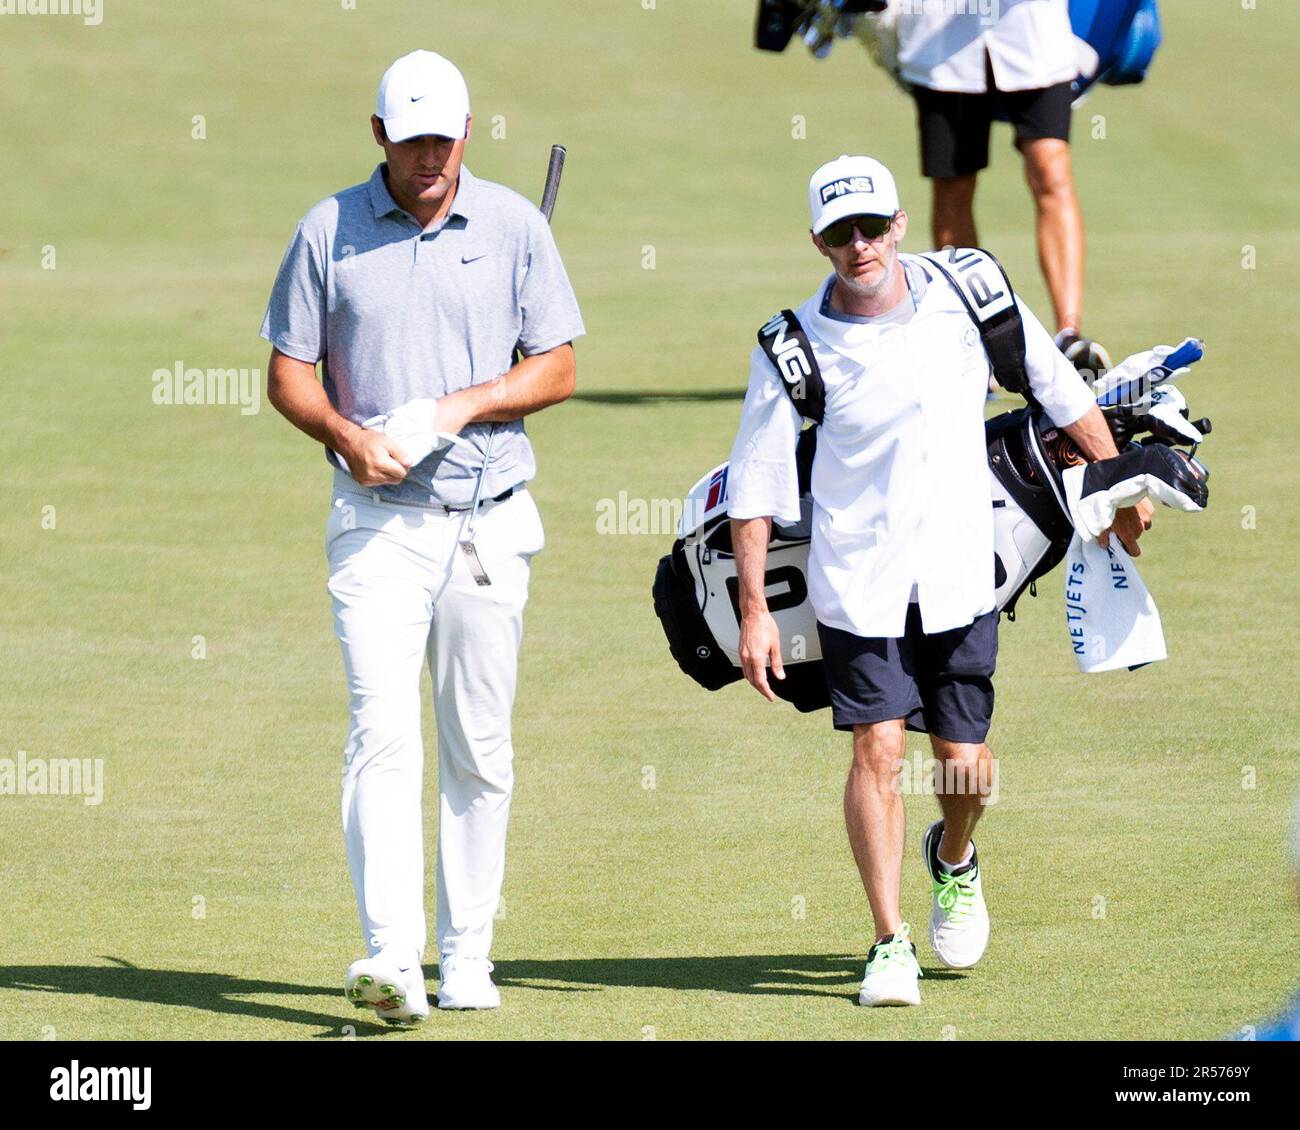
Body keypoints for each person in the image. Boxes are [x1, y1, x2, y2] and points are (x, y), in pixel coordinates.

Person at [725, 154, 1151, 1006]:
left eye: (871, 227)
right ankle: (888, 942)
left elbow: (1054, 384)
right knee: (877, 747)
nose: (859, 246)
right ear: (817, 240)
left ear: (899, 226)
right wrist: (753, 613)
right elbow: (757, 482)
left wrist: (1119, 484)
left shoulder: (970, 291)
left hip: (961, 574)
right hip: (858, 581)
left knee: (966, 768)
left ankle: (953, 854)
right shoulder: (792, 346)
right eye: (840, 233)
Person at [259, 50, 584, 1021]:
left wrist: (459, 405)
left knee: (478, 746)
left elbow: (557, 365)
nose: (428, 158)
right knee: (381, 732)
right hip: (376, 523)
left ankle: (467, 952)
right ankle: (390, 955)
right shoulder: (330, 230)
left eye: (443, 138)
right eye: (411, 142)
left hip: (489, 519)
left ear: (468, 132)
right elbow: (288, 371)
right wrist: (346, 435)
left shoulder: (516, 227)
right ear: (379, 138)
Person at [896, 0, 1108, 371]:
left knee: (1051, 170)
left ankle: (1069, 335)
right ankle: (969, 333)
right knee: (954, 184)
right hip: (942, 44)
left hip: (1034, 36)